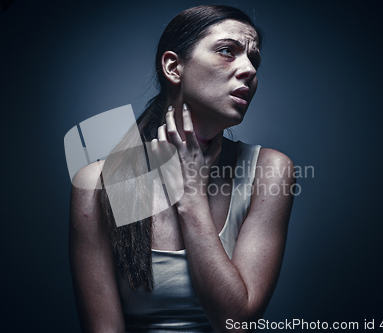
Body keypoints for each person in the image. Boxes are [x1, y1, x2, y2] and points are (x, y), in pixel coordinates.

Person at [69, 5, 295, 332]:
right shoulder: (97, 183)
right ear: (174, 67)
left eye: (254, 60)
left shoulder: (270, 171)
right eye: (227, 51)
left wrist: (190, 193)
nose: (249, 70)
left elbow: (236, 323)